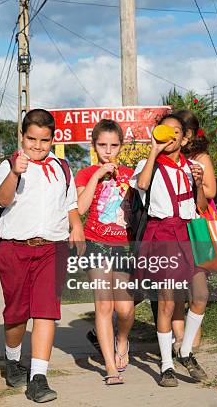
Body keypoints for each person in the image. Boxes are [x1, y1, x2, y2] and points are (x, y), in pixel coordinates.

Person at [0, 109, 85, 403]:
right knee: (17, 313)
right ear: (22, 136)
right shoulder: (9, 165)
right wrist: (15, 172)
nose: (38, 145)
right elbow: (1, 200)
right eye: (32, 139)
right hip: (15, 248)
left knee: (46, 310)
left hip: (52, 248)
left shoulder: (62, 167)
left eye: (44, 140)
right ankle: (12, 360)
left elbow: (70, 202)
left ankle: (38, 378)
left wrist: (77, 226)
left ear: (52, 139)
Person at [130, 113, 210, 387]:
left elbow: (200, 206)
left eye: (177, 131)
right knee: (166, 301)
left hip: (187, 233)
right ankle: (166, 365)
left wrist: (198, 183)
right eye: (165, 130)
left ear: (185, 138)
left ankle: (185, 352)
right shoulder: (147, 164)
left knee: (200, 295)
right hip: (162, 234)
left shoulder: (190, 167)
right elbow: (141, 185)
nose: (171, 135)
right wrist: (154, 149)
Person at [75, 119, 135, 385]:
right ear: (94, 146)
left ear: (121, 146)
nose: (108, 151)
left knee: (124, 308)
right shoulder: (86, 174)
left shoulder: (131, 175)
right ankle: (110, 366)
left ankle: (122, 339)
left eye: (113, 145)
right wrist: (97, 176)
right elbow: (79, 208)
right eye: (102, 145)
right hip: (96, 244)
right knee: (103, 304)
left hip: (122, 246)